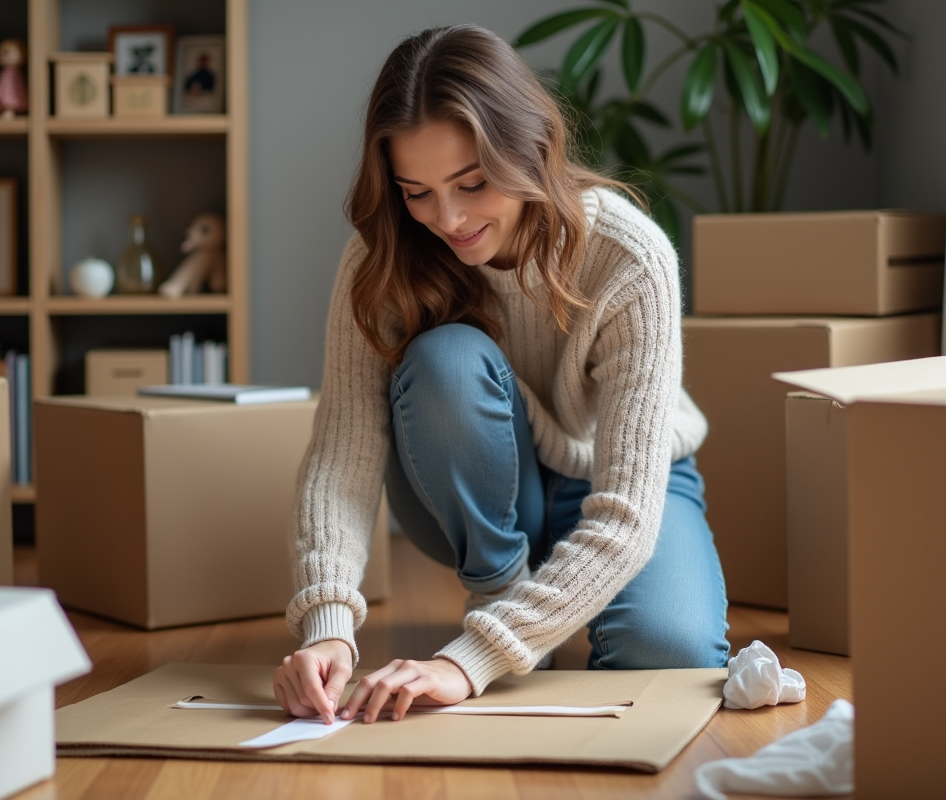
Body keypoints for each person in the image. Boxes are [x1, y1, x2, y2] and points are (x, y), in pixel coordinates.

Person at [275, 23, 729, 726]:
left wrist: (470, 660)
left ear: (530, 149)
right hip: (472, 484)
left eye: (472, 183)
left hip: (617, 478)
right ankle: (499, 587)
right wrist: (327, 621)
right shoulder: (381, 262)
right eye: (415, 192)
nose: (448, 219)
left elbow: (629, 513)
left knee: (670, 653)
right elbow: (341, 458)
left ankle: (515, 621)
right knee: (446, 360)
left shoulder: (628, 256)